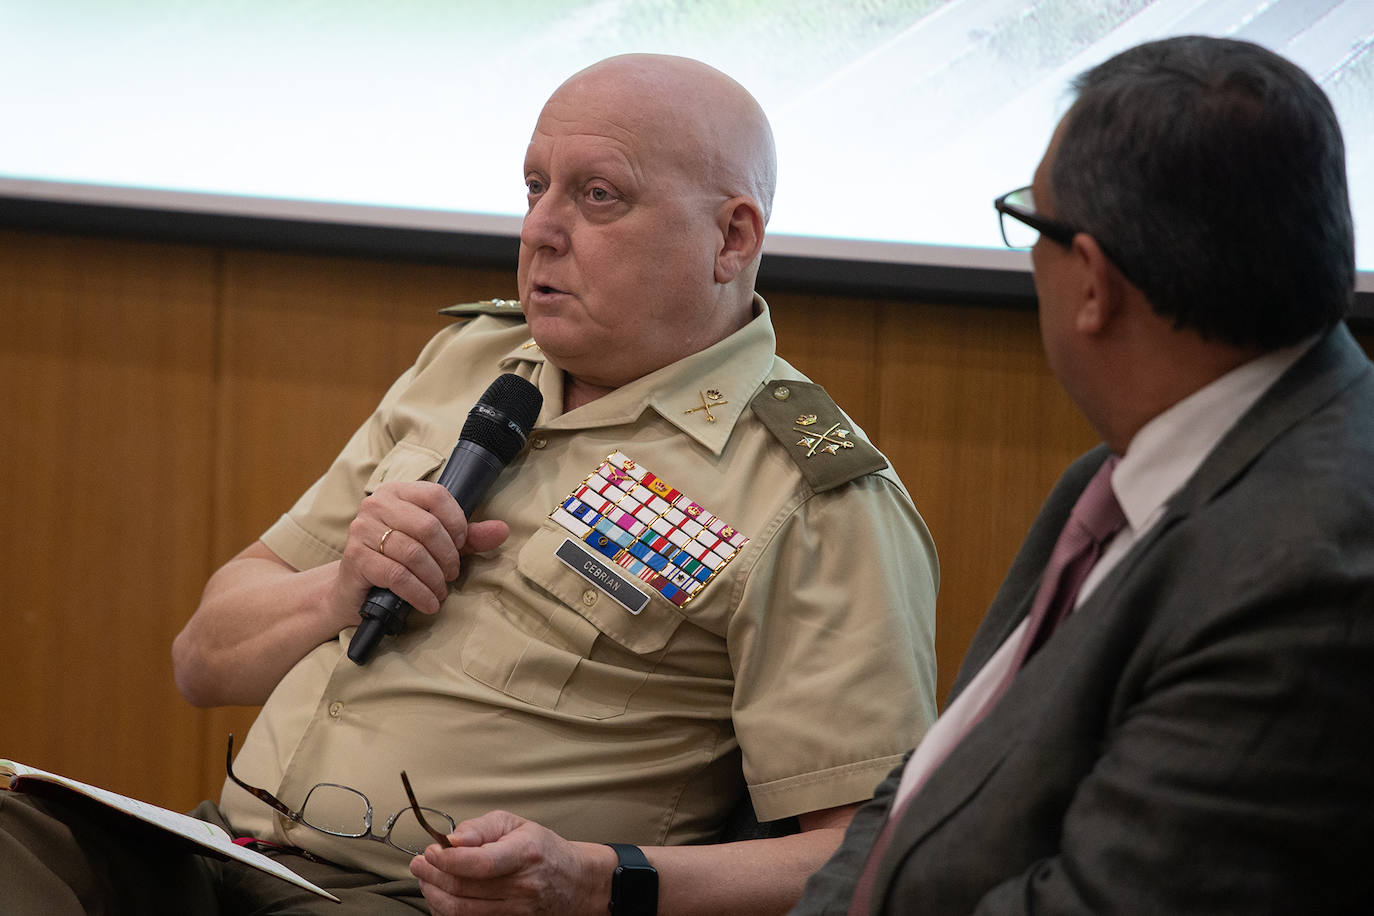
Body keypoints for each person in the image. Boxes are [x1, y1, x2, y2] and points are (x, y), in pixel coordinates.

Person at [0, 54, 938, 915]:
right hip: (222, 856)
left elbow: (871, 851)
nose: (540, 230)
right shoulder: (471, 364)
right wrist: (335, 590)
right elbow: (203, 662)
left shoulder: (811, 493)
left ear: (731, 237)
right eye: (535, 189)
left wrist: (592, 878)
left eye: (599, 197)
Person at [792, 35, 1374, 915]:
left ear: (1093, 283)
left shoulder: (1307, 575)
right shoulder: (1112, 475)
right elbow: (926, 786)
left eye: (1031, 220)